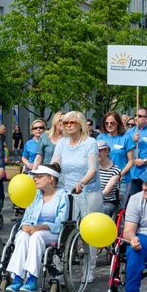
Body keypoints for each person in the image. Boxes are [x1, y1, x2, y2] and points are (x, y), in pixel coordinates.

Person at [3, 164, 69, 292]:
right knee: (21, 236)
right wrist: (24, 226)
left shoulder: (62, 196)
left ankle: (32, 280)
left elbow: (61, 223)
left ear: (51, 178)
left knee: (37, 237)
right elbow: (27, 217)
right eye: (35, 176)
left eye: (39, 176)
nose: (35, 179)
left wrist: (41, 227)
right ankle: (18, 278)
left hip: (52, 232)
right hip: (32, 230)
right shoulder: (35, 195)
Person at [52, 111, 101, 278]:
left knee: (88, 231)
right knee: (63, 228)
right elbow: (55, 164)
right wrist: (45, 174)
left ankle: (89, 268)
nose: (69, 126)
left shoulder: (90, 143)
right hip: (65, 191)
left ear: (80, 124)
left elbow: (92, 168)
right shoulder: (61, 143)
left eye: (72, 122)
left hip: (87, 191)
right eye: (65, 123)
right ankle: (61, 268)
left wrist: (81, 183)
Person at [97, 111, 135, 201]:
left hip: (122, 180)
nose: (109, 125)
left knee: (118, 209)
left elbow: (131, 161)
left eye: (112, 123)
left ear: (118, 123)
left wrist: (119, 174)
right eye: (106, 123)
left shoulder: (126, 138)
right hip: (103, 179)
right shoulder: (100, 138)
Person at [126, 107, 147, 200]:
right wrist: (133, 141)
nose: (136, 118)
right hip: (132, 173)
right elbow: (124, 149)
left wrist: (144, 161)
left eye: (140, 116)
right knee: (134, 199)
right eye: (136, 115)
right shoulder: (130, 132)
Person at [96, 141, 121, 216]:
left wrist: (93, 198)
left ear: (106, 151)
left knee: (100, 210)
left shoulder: (115, 170)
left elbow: (106, 191)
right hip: (93, 201)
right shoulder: (93, 168)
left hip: (107, 202)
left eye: (98, 151)